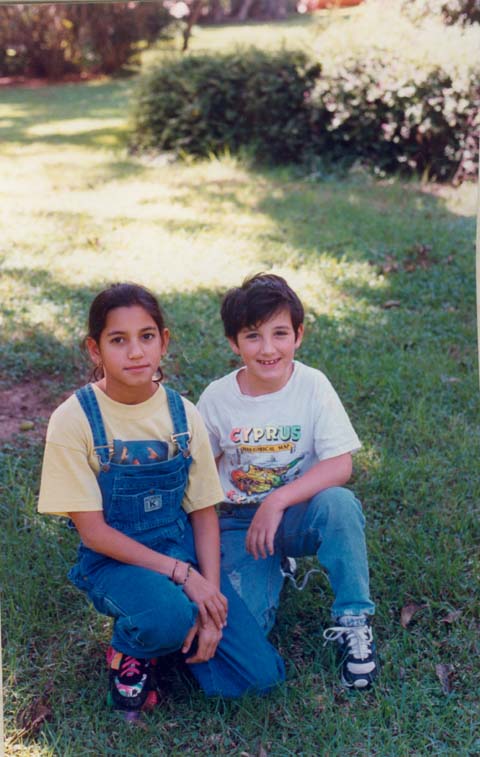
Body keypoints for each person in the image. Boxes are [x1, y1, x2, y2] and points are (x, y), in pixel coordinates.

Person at [38, 282, 285, 720]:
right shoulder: (74, 420)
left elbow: (203, 512)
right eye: (119, 340)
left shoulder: (183, 415)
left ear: (163, 341)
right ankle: (132, 649)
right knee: (168, 614)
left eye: (147, 336)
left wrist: (210, 595)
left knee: (260, 677)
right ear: (95, 349)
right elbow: (93, 533)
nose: (136, 352)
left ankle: (173, 636)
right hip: (114, 562)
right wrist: (182, 576)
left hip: (180, 550)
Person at [197, 273, 378, 690]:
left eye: (279, 333)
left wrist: (277, 501)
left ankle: (354, 620)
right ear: (233, 343)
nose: (267, 349)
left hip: (298, 510)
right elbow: (201, 475)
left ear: (299, 334)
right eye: (252, 336)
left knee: (340, 504)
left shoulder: (312, 385)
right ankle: (272, 567)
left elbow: (340, 464)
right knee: (245, 628)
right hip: (240, 522)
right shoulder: (218, 399)